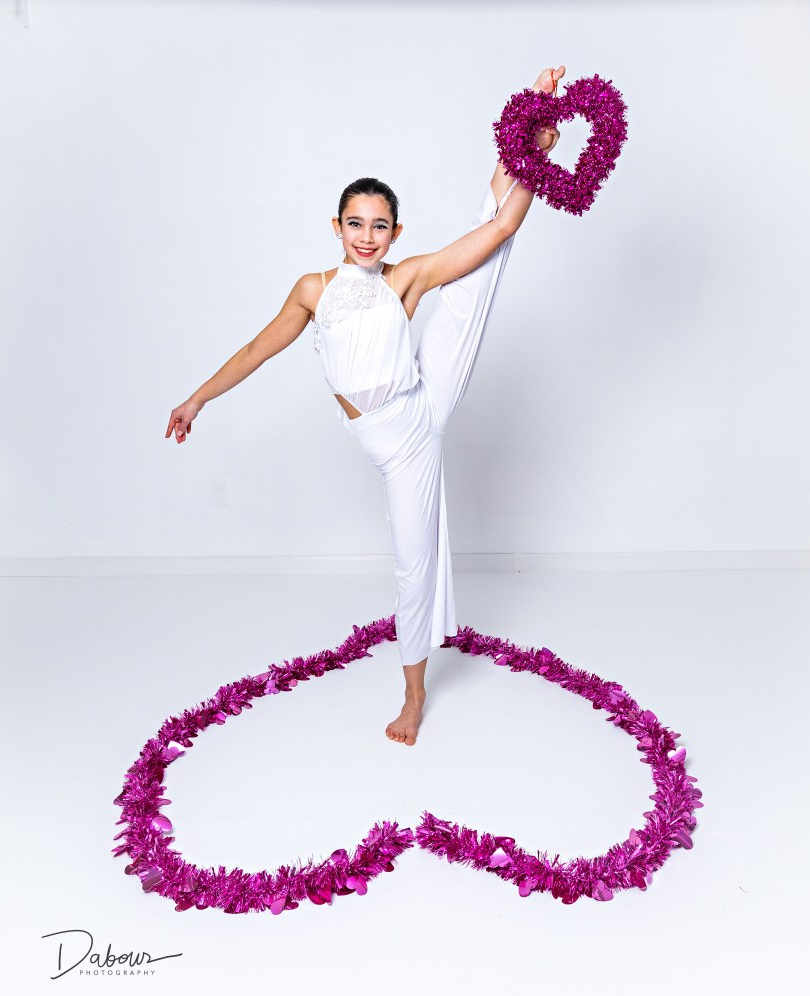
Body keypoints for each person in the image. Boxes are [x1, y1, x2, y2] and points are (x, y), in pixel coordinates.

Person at [166, 65, 565, 746]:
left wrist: (534, 147)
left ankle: (412, 696)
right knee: (474, 264)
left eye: (380, 226)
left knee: (478, 264)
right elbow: (258, 349)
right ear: (337, 225)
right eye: (356, 223)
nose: (367, 237)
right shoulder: (312, 289)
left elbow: (497, 232)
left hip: (415, 415)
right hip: (387, 426)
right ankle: (518, 153)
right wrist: (198, 396)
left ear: (395, 232)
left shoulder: (402, 280)